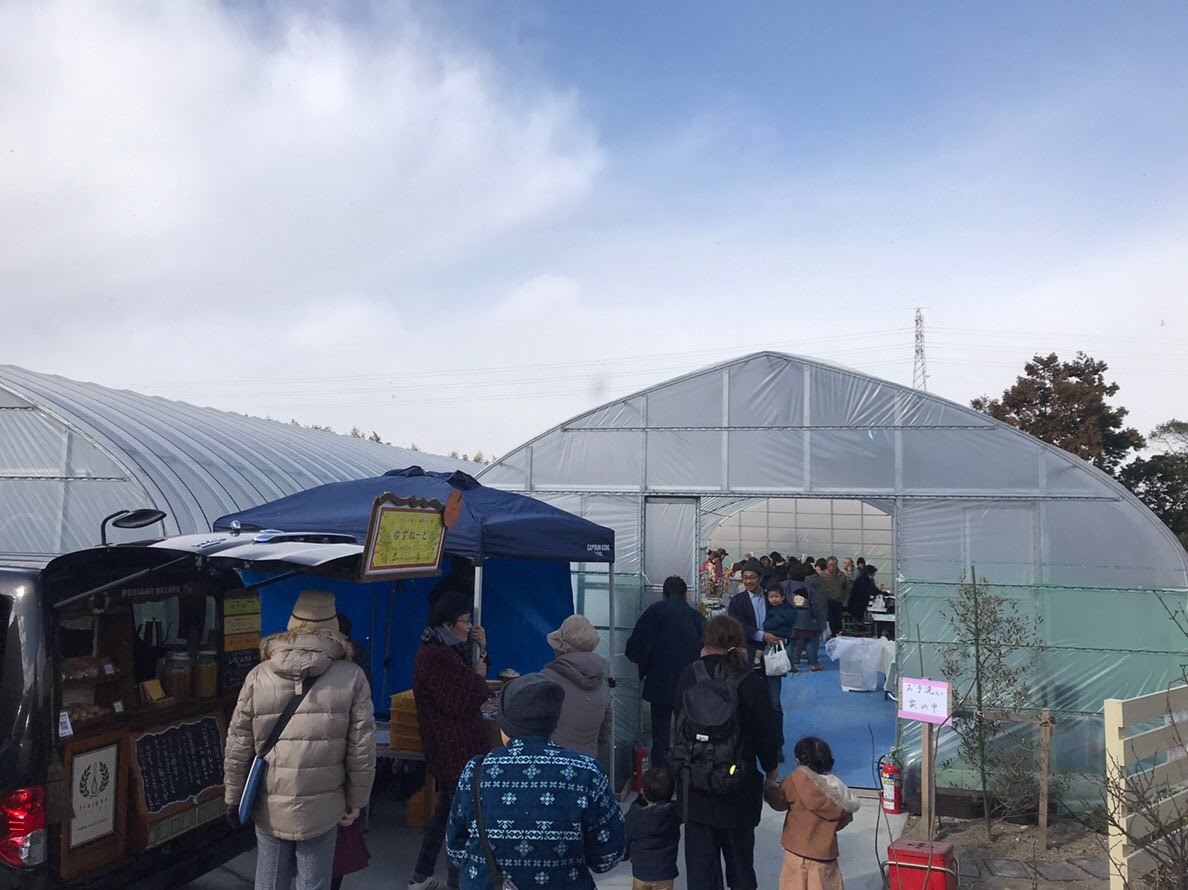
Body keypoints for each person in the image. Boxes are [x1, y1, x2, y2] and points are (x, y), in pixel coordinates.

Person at [223, 590, 376, 890]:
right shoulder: (352, 676)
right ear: (334, 627)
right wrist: (357, 801)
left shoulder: (259, 674)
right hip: (325, 804)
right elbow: (362, 747)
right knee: (314, 883)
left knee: (269, 882)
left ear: (291, 624)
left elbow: (238, 743)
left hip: (269, 802)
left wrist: (233, 797)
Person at [445, 673, 625, 889]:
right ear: (553, 722)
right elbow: (607, 856)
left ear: (506, 724)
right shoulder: (586, 772)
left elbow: (455, 849)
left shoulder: (476, 771)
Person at [672, 615, 780, 890]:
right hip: (737, 785)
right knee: (741, 866)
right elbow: (766, 733)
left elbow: (678, 722)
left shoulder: (689, 675)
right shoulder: (751, 681)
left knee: (701, 871)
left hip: (694, 784)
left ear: (706, 640)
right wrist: (770, 769)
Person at [409, 591, 491, 890]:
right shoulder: (436, 656)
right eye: (465, 621)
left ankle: (421, 875)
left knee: (447, 812)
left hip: (453, 747)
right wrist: (479, 676)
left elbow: (466, 679)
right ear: (447, 624)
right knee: (461, 819)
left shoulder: (447, 650)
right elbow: (461, 699)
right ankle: (455, 881)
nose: (470, 627)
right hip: (453, 747)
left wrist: (482, 649)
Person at [625, 576, 706, 769]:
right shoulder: (695, 617)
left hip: (659, 683)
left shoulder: (654, 612)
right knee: (686, 733)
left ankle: (660, 776)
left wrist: (645, 667)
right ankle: (683, 773)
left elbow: (635, 648)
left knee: (660, 734)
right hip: (689, 686)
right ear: (686, 595)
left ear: (664, 594)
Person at [764, 737, 859, 890]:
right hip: (825, 856)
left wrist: (769, 786)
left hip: (796, 852)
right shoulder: (838, 791)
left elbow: (779, 802)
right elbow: (843, 820)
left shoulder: (795, 781)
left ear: (797, 761)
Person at [541, 614, 612, 758]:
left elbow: (532, 724)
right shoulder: (601, 680)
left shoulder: (548, 677)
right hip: (587, 760)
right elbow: (605, 730)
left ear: (561, 648)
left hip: (553, 760)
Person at [625, 767, 681, 890]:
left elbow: (626, 835)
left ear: (643, 791)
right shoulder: (673, 812)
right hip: (665, 871)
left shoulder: (635, 813)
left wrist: (624, 854)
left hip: (641, 870)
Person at [762, 580, 796, 757]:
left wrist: (764, 630)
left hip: (771, 652)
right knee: (771, 701)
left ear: (783, 597)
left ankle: (776, 744)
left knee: (774, 702)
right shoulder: (782, 610)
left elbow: (774, 626)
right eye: (771, 597)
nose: (773, 599)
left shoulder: (778, 612)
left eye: (776, 596)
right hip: (762, 654)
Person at [816, 558, 850, 637]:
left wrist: (843, 597)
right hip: (826, 601)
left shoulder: (842, 575)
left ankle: (837, 634)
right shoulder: (822, 575)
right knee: (830, 621)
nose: (831, 567)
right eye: (830, 565)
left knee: (837, 620)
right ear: (827, 565)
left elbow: (846, 587)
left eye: (833, 565)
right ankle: (830, 635)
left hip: (838, 601)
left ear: (836, 565)